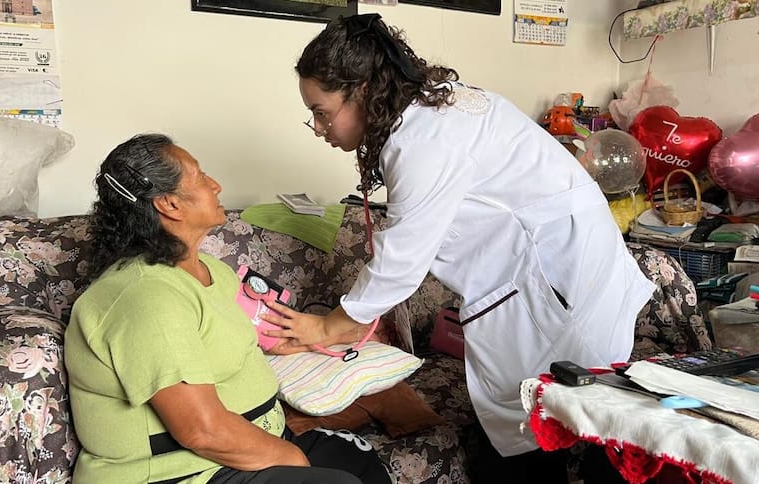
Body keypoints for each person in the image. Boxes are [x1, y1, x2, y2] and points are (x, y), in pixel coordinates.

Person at [261, 12, 657, 483]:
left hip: (557, 282)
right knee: (570, 420)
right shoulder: (435, 109)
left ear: (363, 92)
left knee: (557, 433)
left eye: (322, 112)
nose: (318, 126)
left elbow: (400, 263)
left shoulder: (423, 140)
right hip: (561, 270)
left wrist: (328, 326)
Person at [64, 133, 390, 484]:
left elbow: (258, 334)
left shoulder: (211, 271)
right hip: (183, 472)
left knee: (357, 458)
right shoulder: (145, 297)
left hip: (251, 445)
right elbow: (201, 430)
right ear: (169, 204)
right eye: (202, 177)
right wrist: (289, 457)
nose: (216, 185)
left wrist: (337, 333)